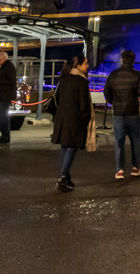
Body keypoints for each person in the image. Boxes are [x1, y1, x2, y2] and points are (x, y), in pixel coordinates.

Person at [106, 49, 140, 180]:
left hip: (118, 112)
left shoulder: (113, 74)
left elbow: (106, 90)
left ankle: (119, 170)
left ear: (122, 60)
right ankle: (136, 167)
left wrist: (113, 101)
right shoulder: (138, 75)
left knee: (119, 141)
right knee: (135, 140)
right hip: (132, 112)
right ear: (133, 61)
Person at [51, 54, 92, 192]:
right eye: (86, 64)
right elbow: (84, 105)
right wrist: (86, 119)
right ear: (79, 66)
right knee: (72, 147)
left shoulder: (64, 79)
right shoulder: (82, 82)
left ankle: (65, 176)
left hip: (62, 118)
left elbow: (57, 98)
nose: (87, 66)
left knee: (65, 146)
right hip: (75, 119)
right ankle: (63, 177)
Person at [0, 51, 17, 144]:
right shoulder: (6, 67)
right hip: (3, 95)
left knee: (3, 116)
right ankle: (4, 135)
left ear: (3, 58)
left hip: (5, 95)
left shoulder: (8, 67)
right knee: (3, 116)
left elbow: (10, 81)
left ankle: (5, 136)